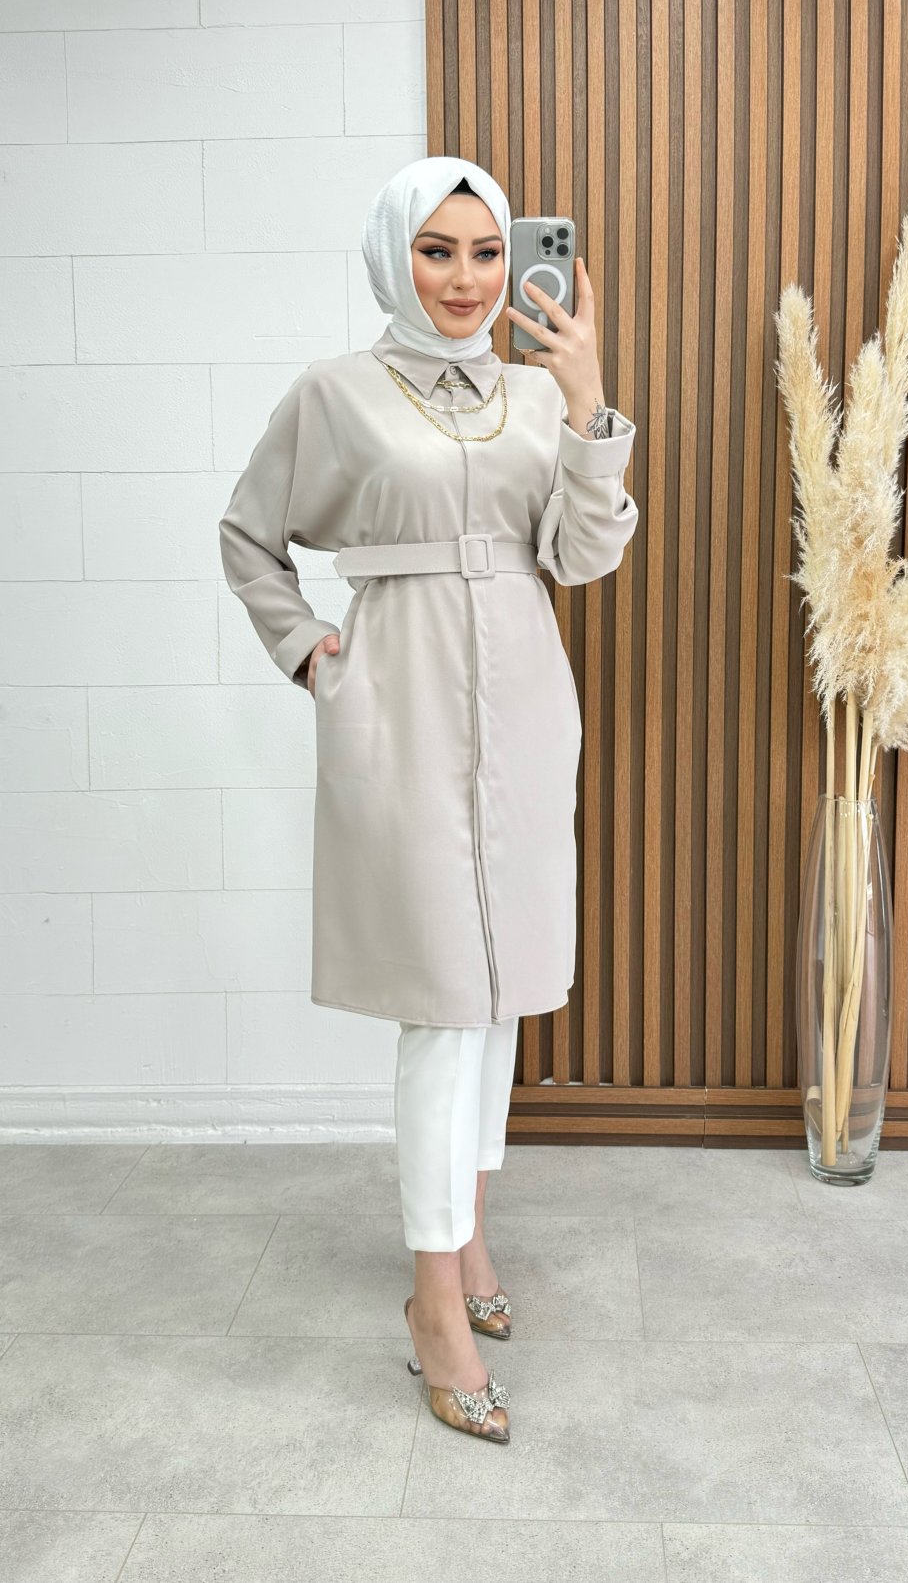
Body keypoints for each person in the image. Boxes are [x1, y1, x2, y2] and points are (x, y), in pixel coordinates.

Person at [218, 155, 639, 1444]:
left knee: (500, 997)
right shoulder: (335, 394)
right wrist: (310, 651)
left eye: (486, 252)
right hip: (398, 703)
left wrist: (588, 403)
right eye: (437, 251)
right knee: (442, 1006)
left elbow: (583, 555)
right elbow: (247, 535)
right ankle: (432, 1300)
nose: (466, 279)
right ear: (392, 256)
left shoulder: (534, 394)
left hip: (524, 703)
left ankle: (468, 1238)